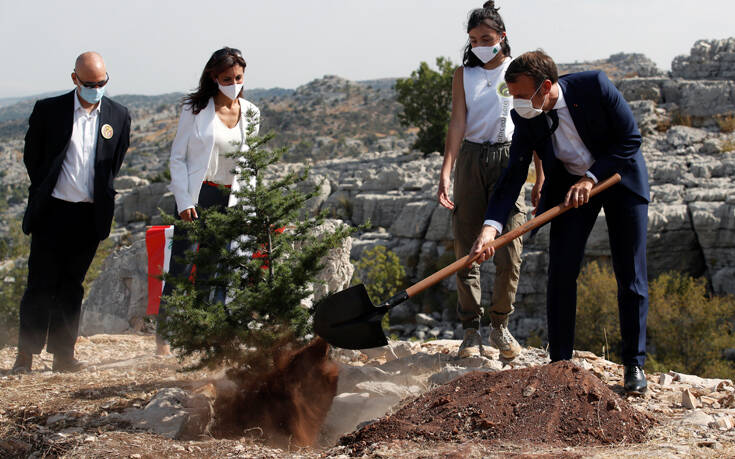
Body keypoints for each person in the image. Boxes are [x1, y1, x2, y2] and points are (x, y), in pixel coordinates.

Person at [470, 50, 650, 394]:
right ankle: (560, 364)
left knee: (630, 274)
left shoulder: (594, 86)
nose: (517, 103)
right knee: (562, 272)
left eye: (522, 95)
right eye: (512, 95)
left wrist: (592, 178)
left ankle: (633, 364)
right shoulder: (527, 116)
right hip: (569, 191)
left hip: (618, 179)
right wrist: (490, 228)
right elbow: (512, 176)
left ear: (547, 86)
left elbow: (631, 139)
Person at [13, 52, 131, 373]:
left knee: (71, 287)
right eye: (89, 83)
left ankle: (63, 356)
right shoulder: (49, 111)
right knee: (40, 284)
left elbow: (113, 164)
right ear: (74, 79)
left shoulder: (119, 116)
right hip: (52, 212)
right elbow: (32, 158)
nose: (96, 88)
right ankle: (25, 355)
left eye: (101, 83)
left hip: (89, 218)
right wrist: (48, 188)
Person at [438, 1, 544, 360]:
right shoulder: (463, 75)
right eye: (473, 39)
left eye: (486, 37)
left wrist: (540, 174)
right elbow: (457, 123)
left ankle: (500, 325)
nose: (480, 44)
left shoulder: (515, 73)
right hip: (470, 158)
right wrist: (446, 171)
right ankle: (471, 330)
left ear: (502, 36)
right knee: (467, 246)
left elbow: (534, 123)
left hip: (509, 159)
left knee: (510, 249)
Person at [158, 47, 260, 355]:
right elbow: (177, 158)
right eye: (227, 78)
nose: (233, 83)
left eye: (238, 77)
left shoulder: (252, 112)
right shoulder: (195, 109)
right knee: (183, 265)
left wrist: (248, 206)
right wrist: (184, 199)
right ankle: (164, 335)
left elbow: (250, 163)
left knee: (215, 270)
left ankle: (202, 336)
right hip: (198, 194)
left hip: (231, 199)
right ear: (213, 77)